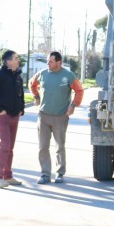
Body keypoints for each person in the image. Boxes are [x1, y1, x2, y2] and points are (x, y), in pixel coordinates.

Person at [29, 51, 84, 184]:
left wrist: (73, 105)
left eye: (51, 61)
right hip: (43, 116)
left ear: (59, 62)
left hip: (60, 117)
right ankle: (45, 174)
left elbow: (79, 91)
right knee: (43, 147)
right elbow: (32, 84)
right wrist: (36, 97)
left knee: (59, 146)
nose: (48, 63)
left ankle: (59, 173)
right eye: (48, 61)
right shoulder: (42, 74)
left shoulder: (68, 75)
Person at [0, 50, 25, 188]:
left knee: (10, 148)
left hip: (15, 115)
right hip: (2, 116)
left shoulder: (17, 75)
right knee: (4, 146)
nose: (18, 60)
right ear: (8, 61)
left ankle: (8, 176)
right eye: (15, 58)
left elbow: (20, 94)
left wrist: (21, 109)